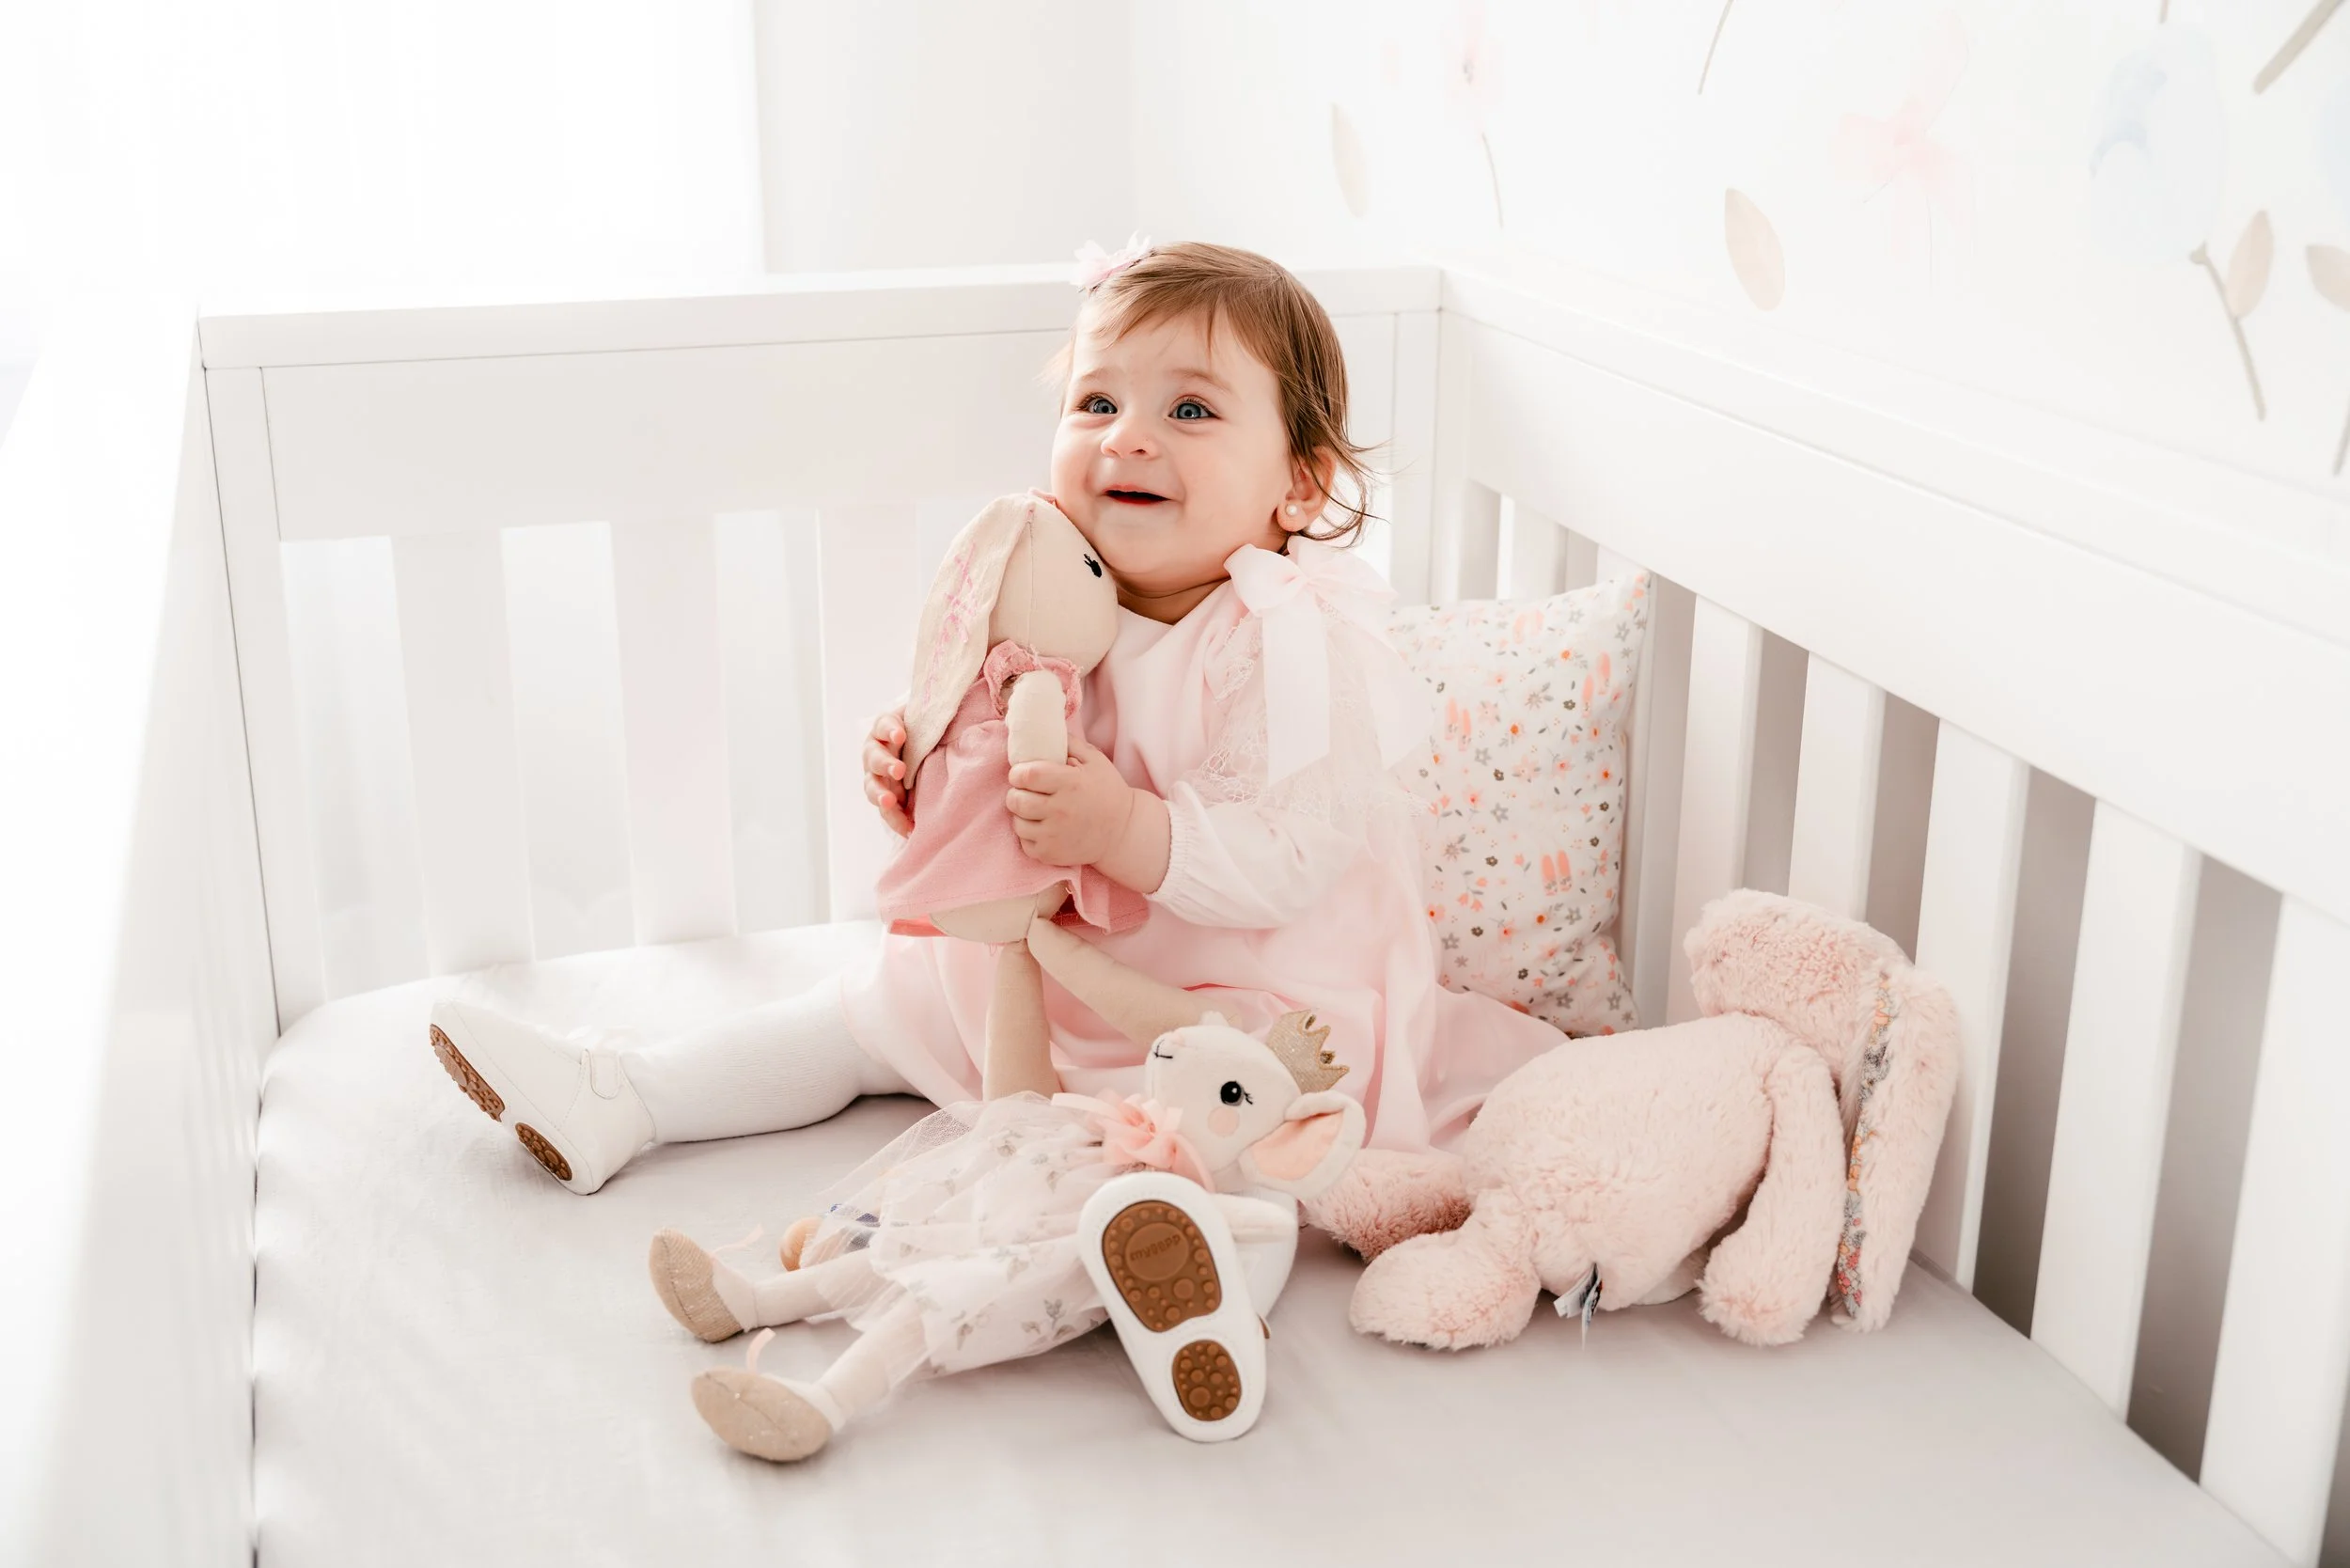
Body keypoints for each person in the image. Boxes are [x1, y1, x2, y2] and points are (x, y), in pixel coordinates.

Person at [429, 240, 1565, 1197]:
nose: (1127, 435)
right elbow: (994, 787)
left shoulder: (1287, 637)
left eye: (1189, 409)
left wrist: (1123, 828)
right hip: (1058, 972)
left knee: (1196, 1125)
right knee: (879, 1007)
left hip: (1228, 1000)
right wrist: (917, 769)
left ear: (1300, 486)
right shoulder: (1048, 602)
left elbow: (1289, 855)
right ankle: (629, 1096)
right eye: (1097, 401)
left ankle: (1119, 1239)